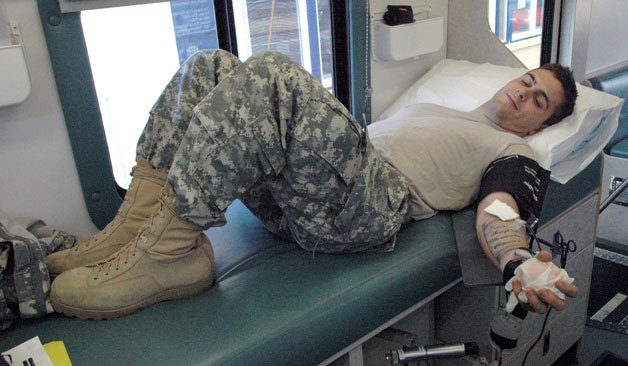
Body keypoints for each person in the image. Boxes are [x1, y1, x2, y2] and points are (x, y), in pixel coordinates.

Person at [46, 50, 579, 320]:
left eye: (539, 102)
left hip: (371, 203)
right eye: (527, 82)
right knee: (210, 66)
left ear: (540, 124)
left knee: (275, 76)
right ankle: (135, 228)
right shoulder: (439, 107)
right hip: (310, 193)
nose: (524, 94)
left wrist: (518, 261)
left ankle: (165, 257)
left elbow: (502, 207)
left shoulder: (515, 151)